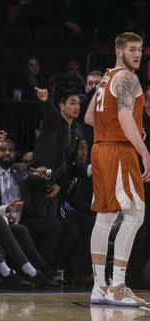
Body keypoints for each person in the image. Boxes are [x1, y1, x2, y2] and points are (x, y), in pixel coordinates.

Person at [84, 32, 149, 307]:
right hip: (118, 151)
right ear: (119, 51)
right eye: (132, 49)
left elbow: (89, 117)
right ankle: (118, 285)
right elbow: (123, 115)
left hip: (100, 149)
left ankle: (100, 287)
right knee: (135, 214)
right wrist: (144, 150)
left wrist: (120, 127)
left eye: (140, 50)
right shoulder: (127, 78)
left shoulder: (105, 78)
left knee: (106, 217)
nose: (137, 55)